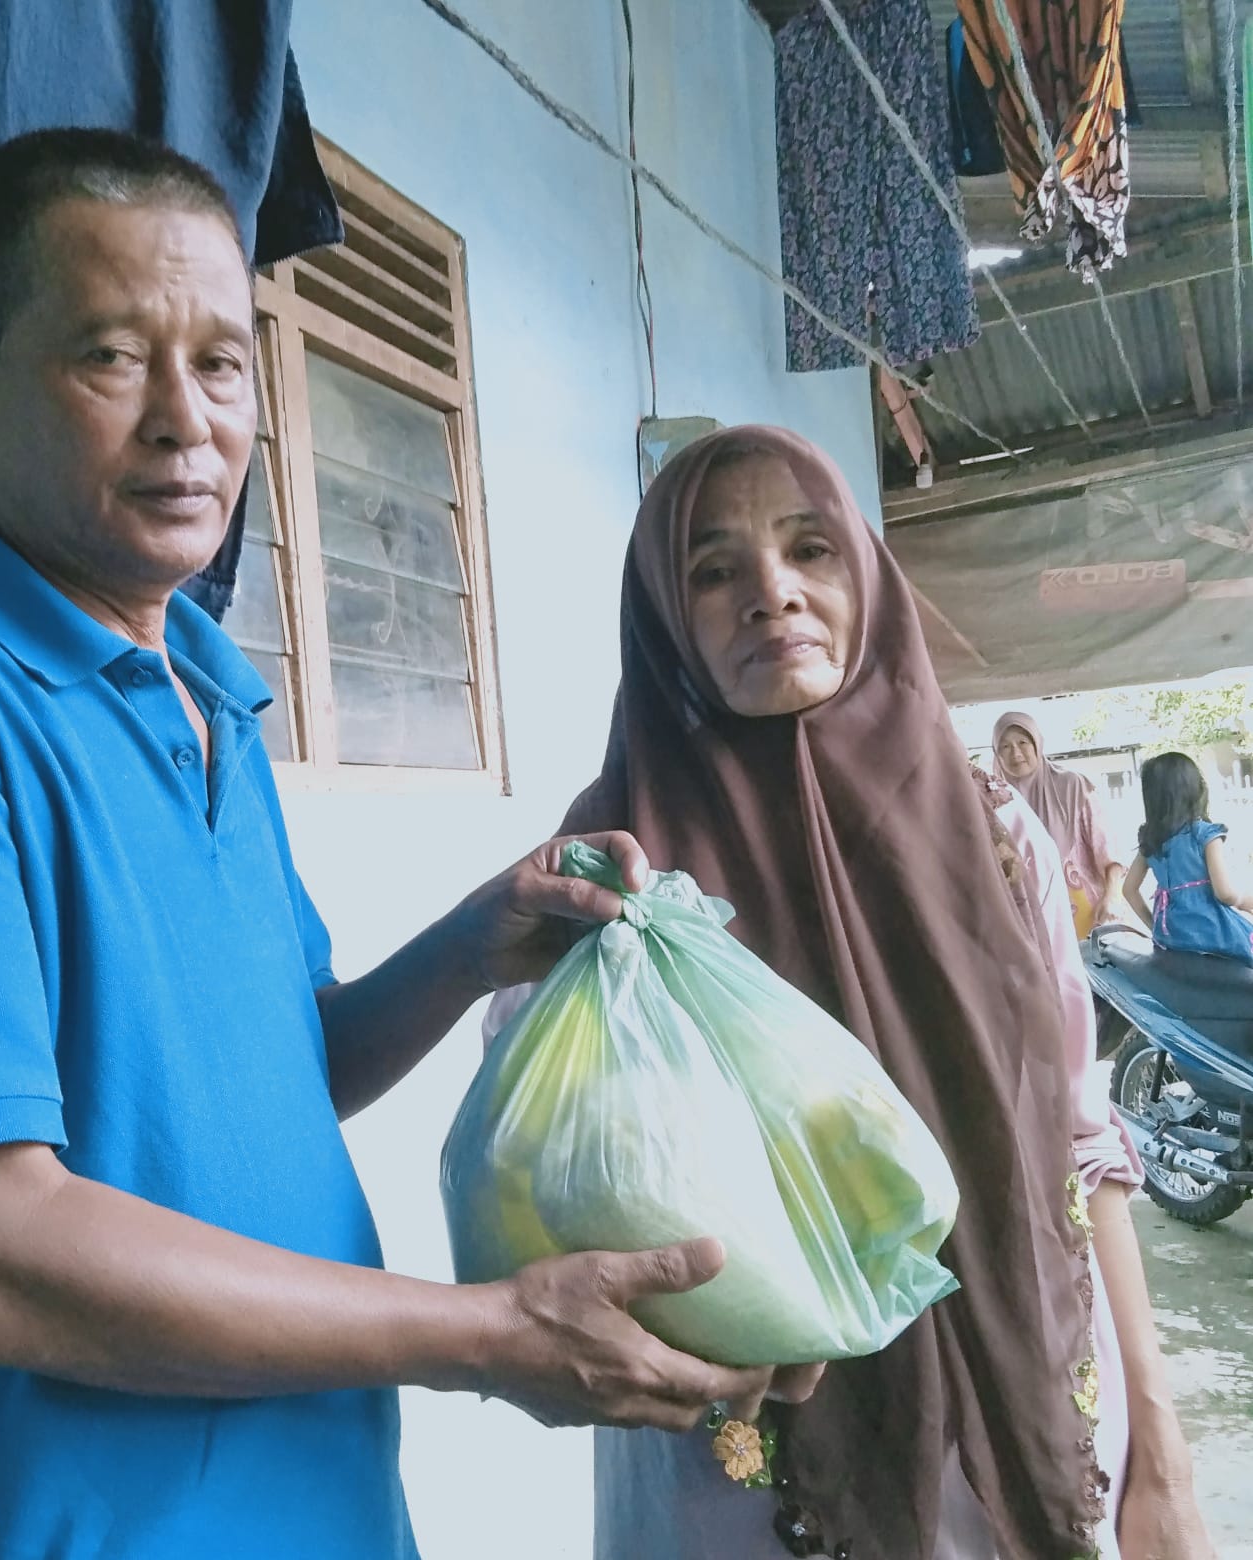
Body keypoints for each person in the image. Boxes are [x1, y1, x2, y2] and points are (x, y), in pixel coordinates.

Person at [0, 132, 817, 1560]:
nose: (190, 423)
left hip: (329, 1512)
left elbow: (275, 1073)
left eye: (225, 364)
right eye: (111, 357)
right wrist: (482, 1335)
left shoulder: (209, 694)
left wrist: (468, 946)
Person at [488, 427, 1212, 1559]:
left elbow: (1082, 1140)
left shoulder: (998, 840)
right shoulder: (602, 870)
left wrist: (1161, 1454)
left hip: (1020, 1424)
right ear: (664, 618)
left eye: (808, 549)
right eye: (713, 569)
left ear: (863, 577)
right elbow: (551, 1166)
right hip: (742, 1481)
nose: (770, 595)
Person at [994, 710, 1129, 934]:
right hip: (1027, 919)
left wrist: (1113, 896)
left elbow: (1108, 847)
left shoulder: (1072, 787)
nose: (1015, 753)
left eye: (1022, 742)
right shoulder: (995, 799)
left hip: (1087, 910)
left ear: (1037, 744)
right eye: (1005, 747)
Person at [1122, 751, 1253, 965]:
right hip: (1212, 934)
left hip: (1173, 939)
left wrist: (1155, 926)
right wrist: (1245, 900)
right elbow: (1225, 893)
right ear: (1195, 789)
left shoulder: (1152, 841)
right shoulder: (1205, 835)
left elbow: (1128, 890)